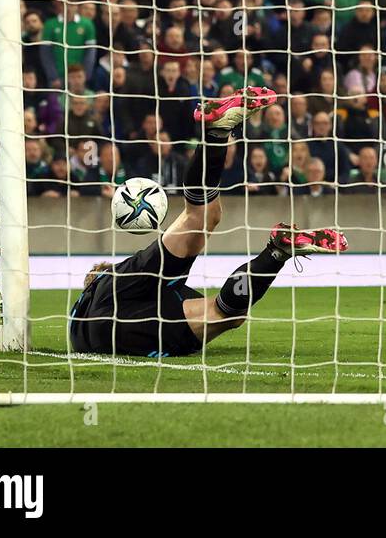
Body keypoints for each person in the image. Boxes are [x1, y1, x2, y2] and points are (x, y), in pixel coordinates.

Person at [69, 87, 348, 357]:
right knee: (200, 218)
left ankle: (277, 252)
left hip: (101, 333)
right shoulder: (126, 279)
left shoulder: (91, 301)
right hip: (119, 295)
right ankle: (216, 134)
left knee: (224, 309)